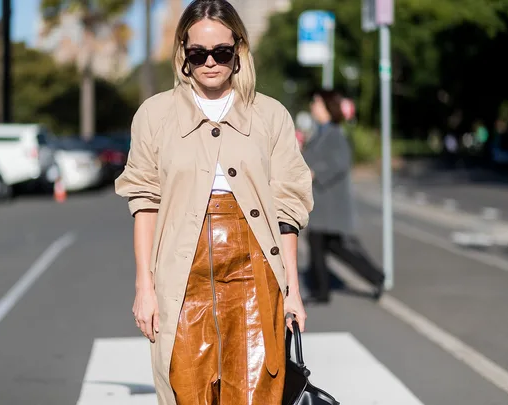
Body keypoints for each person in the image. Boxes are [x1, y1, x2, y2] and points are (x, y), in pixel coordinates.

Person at [114, 1, 313, 404]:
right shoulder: (155, 115)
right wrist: (144, 287)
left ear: (238, 51)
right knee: (187, 389)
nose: (210, 62)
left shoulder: (269, 115)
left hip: (255, 270)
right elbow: (144, 203)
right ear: (182, 54)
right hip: (182, 273)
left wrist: (290, 289)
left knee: (258, 390)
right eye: (197, 53)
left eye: (221, 52)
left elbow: (287, 209)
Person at [302, 88, 384, 303]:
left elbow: (339, 162)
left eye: (316, 103)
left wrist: (315, 172)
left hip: (329, 203)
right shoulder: (321, 132)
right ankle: (374, 276)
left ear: (327, 107)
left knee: (321, 243)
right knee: (333, 246)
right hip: (323, 202)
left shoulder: (335, 133)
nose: (313, 106)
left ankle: (322, 291)